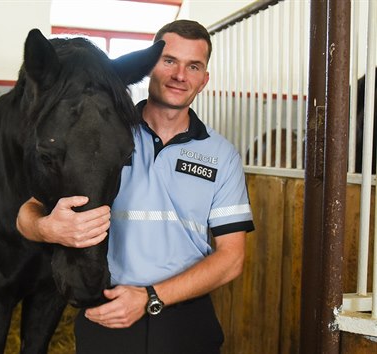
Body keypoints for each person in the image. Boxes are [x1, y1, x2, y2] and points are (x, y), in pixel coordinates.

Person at [16, 19, 254, 354]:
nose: (179, 75)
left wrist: (150, 298)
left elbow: (231, 259)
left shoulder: (222, 155)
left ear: (204, 80)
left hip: (185, 321)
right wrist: (47, 227)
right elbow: (27, 212)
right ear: (149, 66)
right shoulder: (103, 137)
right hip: (107, 310)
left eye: (193, 66)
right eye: (169, 60)